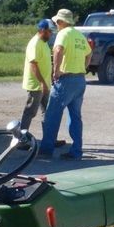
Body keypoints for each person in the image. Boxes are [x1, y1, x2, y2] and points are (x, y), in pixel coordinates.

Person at [38, 8, 92, 159]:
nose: (55, 24)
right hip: (80, 79)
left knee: (51, 115)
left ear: (61, 22)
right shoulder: (79, 35)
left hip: (66, 79)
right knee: (75, 116)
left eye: (56, 22)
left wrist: (56, 71)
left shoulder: (63, 34)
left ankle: (46, 150)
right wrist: (84, 67)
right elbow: (89, 53)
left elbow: (58, 50)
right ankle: (76, 151)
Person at [19, 19, 52, 138]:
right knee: (30, 112)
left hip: (45, 84)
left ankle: (48, 139)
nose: (51, 34)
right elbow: (33, 65)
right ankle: (21, 138)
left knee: (48, 112)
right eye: (49, 31)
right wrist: (42, 83)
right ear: (42, 30)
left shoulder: (44, 42)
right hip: (37, 84)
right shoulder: (35, 43)